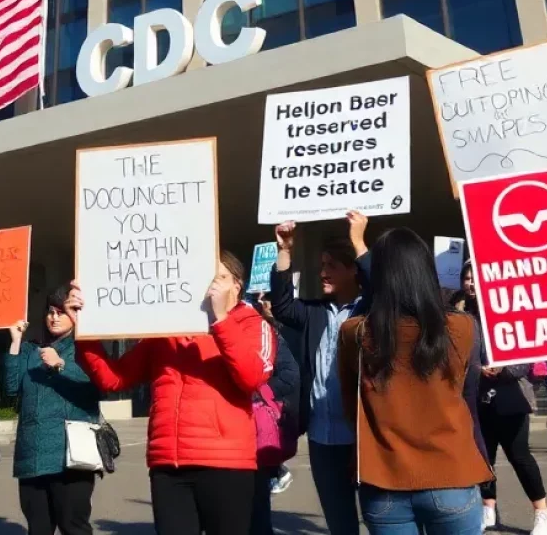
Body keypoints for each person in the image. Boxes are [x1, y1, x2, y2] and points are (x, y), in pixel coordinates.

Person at [76, 253, 274, 535]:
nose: (210, 287)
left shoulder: (251, 324)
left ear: (237, 286)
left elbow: (252, 376)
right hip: (169, 465)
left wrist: (220, 320)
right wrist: (85, 332)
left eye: (219, 278)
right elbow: (114, 378)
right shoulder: (166, 332)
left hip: (226, 464)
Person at [337, 228, 491, 534]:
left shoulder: (355, 332)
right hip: (451, 473)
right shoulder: (461, 327)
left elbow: (349, 408)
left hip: (383, 478)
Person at [269, 211, 370, 535]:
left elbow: (382, 283)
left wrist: (358, 240)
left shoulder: (372, 309)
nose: (322, 271)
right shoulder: (313, 311)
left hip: (366, 437)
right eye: (322, 264)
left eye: (331, 266)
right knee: (340, 521)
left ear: (353, 270)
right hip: (322, 437)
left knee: (380, 517)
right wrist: (284, 251)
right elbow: (283, 306)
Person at [458, 262, 547, 535]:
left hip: (510, 395)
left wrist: (503, 369)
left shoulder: (509, 312)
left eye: (475, 279)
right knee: (483, 457)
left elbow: (524, 356)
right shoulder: (461, 316)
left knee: (519, 455)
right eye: (466, 278)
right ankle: (488, 508)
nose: (470, 284)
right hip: (476, 397)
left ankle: (543, 512)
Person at [5, 283, 102, 535]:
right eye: (50, 311)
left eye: (61, 311)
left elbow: (98, 385)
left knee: (73, 526)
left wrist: (61, 365)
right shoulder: (31, 350)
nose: (54, 317)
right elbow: (11, 388)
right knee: (38, 528)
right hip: (32, 455)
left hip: (69, 457)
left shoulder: (85, 347)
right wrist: (15, 343)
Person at [250, 297, 300, 535]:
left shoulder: (265, 333)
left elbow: (290, 373)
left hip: (255, 436)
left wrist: (259, 393)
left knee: (256, 509)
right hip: (215, 437)